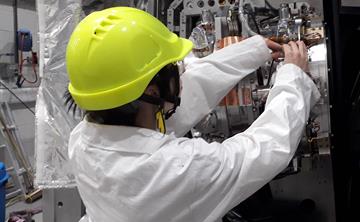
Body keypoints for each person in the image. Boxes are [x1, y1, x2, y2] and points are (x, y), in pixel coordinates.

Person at [65, 7, 320, 222]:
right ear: (153, 91)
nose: (182, 75)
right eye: (175, 69)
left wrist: (253, 51)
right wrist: (293, 77)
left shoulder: (84, 139)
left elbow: (189, 92)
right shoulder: (175, 169)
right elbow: (264, 148)